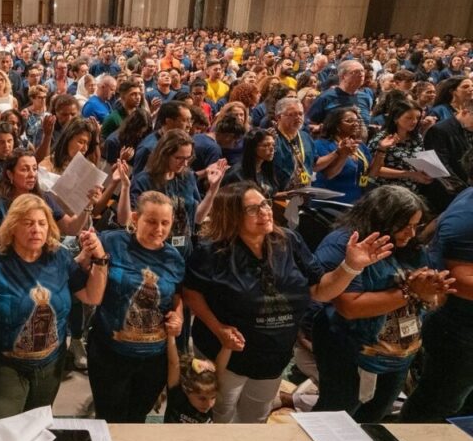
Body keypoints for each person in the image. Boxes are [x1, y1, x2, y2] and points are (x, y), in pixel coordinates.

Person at [183, 182, 393, 423]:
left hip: (274, 356)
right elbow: (192, 294)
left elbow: (321, 291)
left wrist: (350, 267)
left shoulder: (289, 241)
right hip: (227, 355)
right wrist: (218, 329)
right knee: (221, 415)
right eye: (252, 209)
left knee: (256, 417)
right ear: (231, 215)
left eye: (265, 203)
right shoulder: (212, 253)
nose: (264, 211)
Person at [0, 193, 108, 419]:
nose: (36, 229)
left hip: (51, 364)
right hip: (6, 364)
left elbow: (92, 297)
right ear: (13, 226)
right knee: (2, 428)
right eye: (28, 223)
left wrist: (100, 259)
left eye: (42, 223)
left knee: (37, 425)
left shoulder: (60, 258)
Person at [312, 185, 453, 422]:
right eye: (404, 225)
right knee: (336, 419)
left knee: (373, 418)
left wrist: (431, 293)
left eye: (415, 225)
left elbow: (433, 297)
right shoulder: (345, 244)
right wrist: (410, 291)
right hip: (351, 351)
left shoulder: (411, 246)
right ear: (382, 218)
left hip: (398, 355)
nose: (410, 233)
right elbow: (350, 307)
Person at [88, 191, 184, 423]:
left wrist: (178, 317)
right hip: (110, 354)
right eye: (151, 221)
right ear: (134, 218)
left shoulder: (174, 258)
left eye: (165, 223)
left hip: (153, 359)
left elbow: (177, 295)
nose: (159, 229)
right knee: (110, 419)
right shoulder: (112, 241)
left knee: (137, 418)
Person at [400, 152, 473, 422]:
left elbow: (433, 228)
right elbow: (458, 281)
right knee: (438, 404)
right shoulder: (468, 217)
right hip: (459, 328)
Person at [129, 129, 227, 257]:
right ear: (164, 155)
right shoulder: (144, 181)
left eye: (188, 158)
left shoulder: (187, 176)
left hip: (184, 250)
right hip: (154, 252)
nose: (185, 163)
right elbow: (132, 221)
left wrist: (213, 189)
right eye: (179, 158)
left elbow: (197, 218)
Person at [370, 100, 433, 193]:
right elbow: (374, 170)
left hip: (411, 189)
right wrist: (410, 174)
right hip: (386, 189)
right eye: (409, 118)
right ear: (396, 118)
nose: (414, 121)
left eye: (418, 118)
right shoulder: (382, 138)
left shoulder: (416, 137)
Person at [312, 106, 372, 204]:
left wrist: (382, 150)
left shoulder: (360, 146)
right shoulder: (321, 144)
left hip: (355, 200)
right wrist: (342, 155)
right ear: (337, 125)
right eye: (349, 121)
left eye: (357, 121)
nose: (356, 124)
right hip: (330, 202)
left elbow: (371, 171)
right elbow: (329, 174)